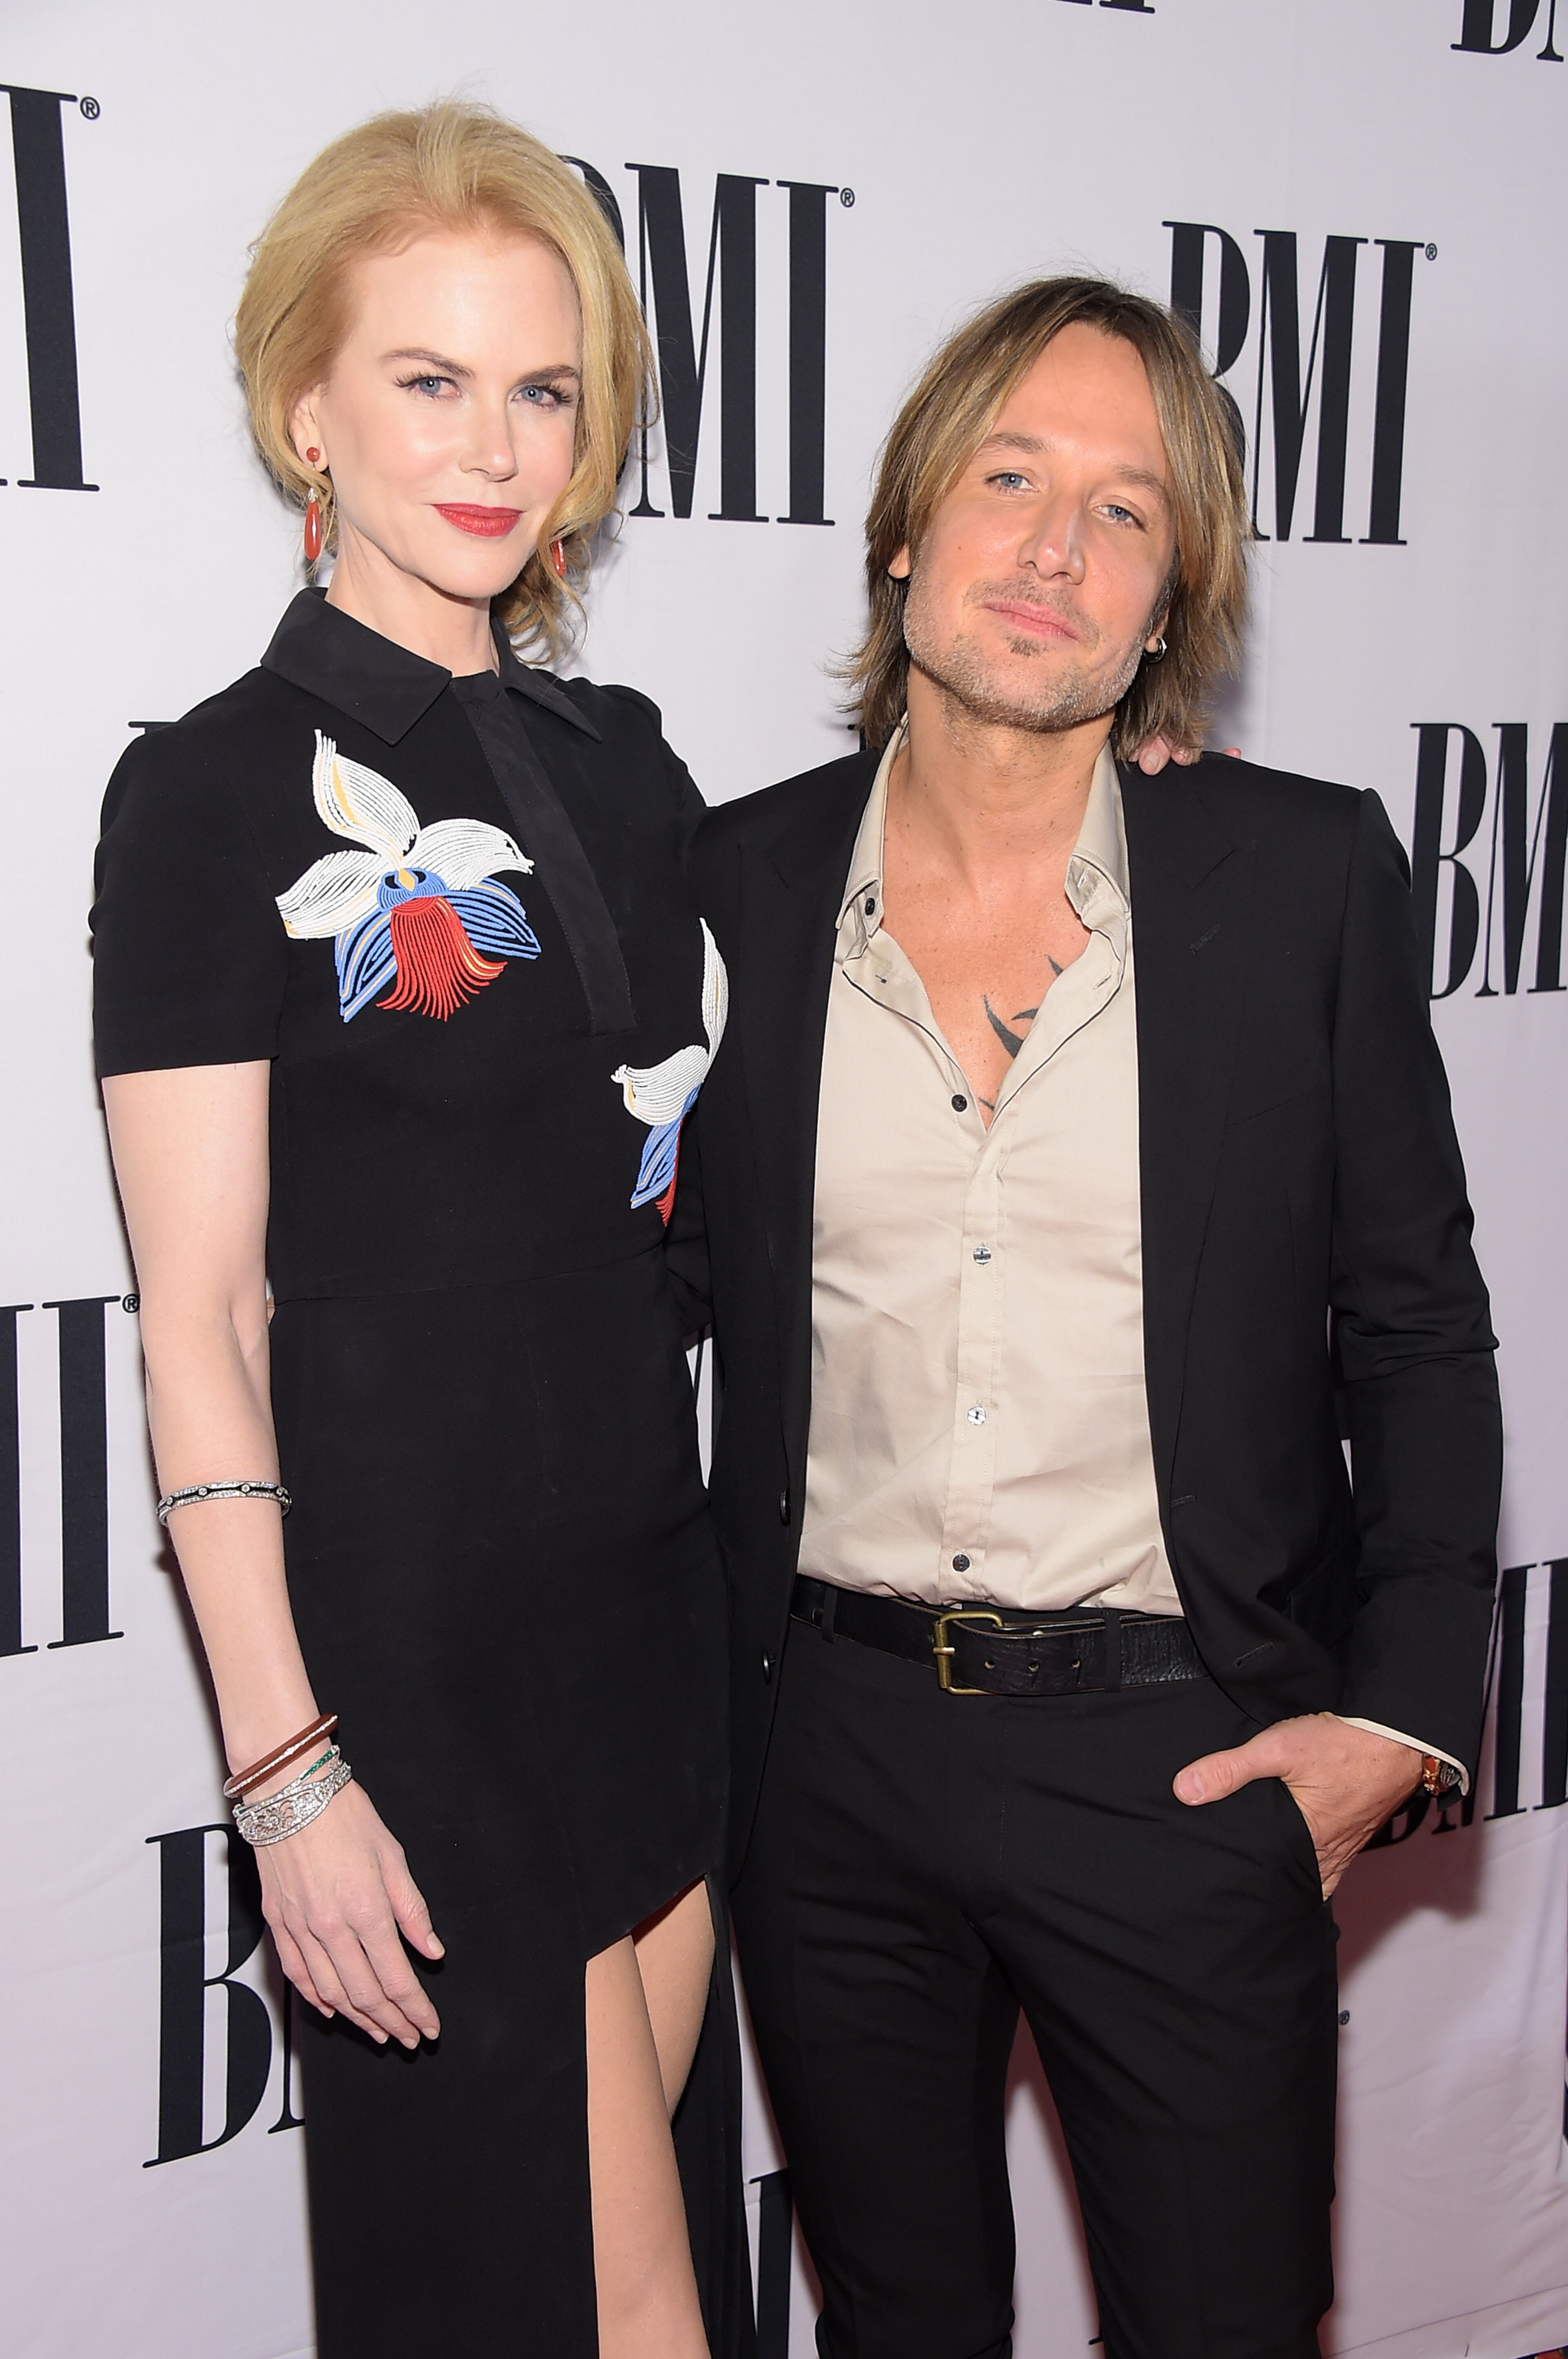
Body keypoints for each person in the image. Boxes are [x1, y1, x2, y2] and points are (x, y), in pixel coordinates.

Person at [671, 277, 1502, 2359]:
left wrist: (1398, 1719)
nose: (1055, 546)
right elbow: (618, 1285)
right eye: (1009, 478)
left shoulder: (1299, 879)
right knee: (898, 2321)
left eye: (1126, 511)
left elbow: (1418, 1324)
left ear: (1167, 608)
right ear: (905, 533)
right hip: (828, 1754)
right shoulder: (733, 892)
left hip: (1183, 1754)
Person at [92, 102, 747, 2359]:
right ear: (309, 407)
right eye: (430, 379)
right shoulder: (208, 792)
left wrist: (1093, 781)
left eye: (543, 388)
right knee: (603, 2308)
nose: (495, 447)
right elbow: (198, 1319)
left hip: (651, 1622)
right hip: (417, 1665)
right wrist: (285, 1766)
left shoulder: (631, 762)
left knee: (651, 2269)